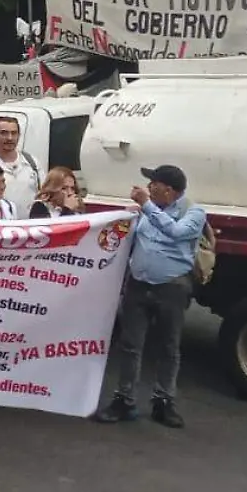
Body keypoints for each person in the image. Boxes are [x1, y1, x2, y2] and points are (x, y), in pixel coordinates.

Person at [96, 164, 207, 429]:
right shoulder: (147, 212)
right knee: (131, 344)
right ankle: (124, 399)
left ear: (168, 190)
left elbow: (176, 232)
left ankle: (164, 401)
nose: (147, 187)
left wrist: (147, 206)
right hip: (138, 284)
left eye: (153, 183)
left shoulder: (194, 213)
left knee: (169, 346)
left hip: (170, 287)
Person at [0, 116, 41, 207]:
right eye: (4, 133)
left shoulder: (32, 162)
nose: (10, 138)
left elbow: (44, 193)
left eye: (14, 133)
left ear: (19, 135)